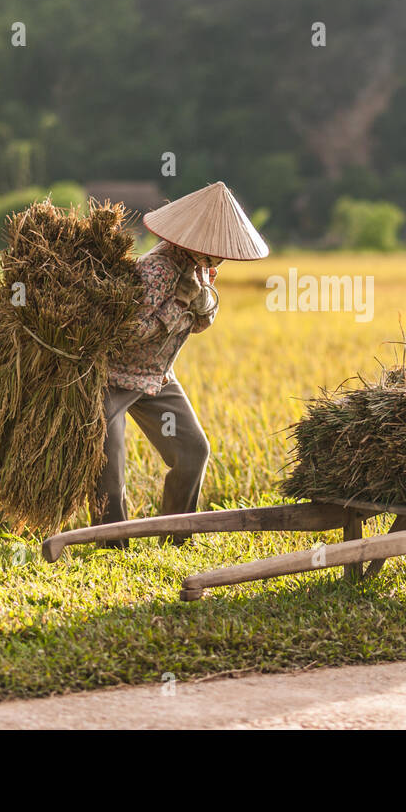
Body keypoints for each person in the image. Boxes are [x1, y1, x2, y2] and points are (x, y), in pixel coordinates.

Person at [93, 181, 269, 546]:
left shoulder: (200, 269)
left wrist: (204, 306)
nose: (219, 258)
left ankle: (175, 537)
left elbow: (200, 321)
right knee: (108, 464)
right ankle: (111, 546)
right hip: (116, 376)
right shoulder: (157, 270)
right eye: (215, 251)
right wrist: (179, 305)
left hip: (157, 378)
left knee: (192, 451)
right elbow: (127, 331)